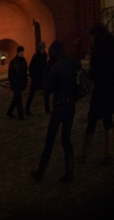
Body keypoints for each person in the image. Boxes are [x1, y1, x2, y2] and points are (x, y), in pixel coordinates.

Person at [30, 40, 78, 182]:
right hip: (71, 105)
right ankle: (69, 171)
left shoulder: (56, 67)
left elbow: (47, 89)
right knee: (66, 139)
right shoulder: (73, 62)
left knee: (50, 139)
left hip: (59, 105)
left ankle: (41, 171)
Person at [79, 23, 114, 164]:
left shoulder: (99, 47)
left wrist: (90, 76)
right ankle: (108, 152)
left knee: (92, 119)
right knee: (107, 118)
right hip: (111, 86)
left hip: (101, 88)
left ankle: (85, 153)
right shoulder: (112, 43)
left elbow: (95, 70)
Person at [26, 41, 50, 116]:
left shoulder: (45, 55)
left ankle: (47, 109)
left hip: (42, 77)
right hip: (37, 77)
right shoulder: (36, 56)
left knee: (46, 93)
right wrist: (33, 75)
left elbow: (45, 65)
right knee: (32, 94)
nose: (43, 50)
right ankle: (27, 109)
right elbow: (31, 66)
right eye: (42, 48)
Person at [6, 45, 28, 120]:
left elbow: (24, 72)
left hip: (20, 82)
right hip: (16, 82)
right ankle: (20, 115)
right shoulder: (14, 62)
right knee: (19, 99)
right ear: (18, 52)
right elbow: (11, 74)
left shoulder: (22, 61)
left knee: (16, 98)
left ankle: (9, 111)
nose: (22, 53)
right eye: (21, 52)